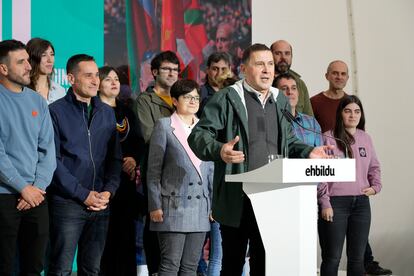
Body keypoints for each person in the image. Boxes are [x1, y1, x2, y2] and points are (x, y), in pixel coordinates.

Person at [188, 43, 332, 275]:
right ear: (244, 69)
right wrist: (219, 150)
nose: (266, 70)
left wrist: (309, 152)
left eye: (270, 64)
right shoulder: (228, 98)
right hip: (238, 198)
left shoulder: (280, 100)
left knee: (265, 263)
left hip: (273, 197)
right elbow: (199, 135)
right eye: (259, 64)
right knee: (233, 262)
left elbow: (289, 141)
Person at [47, 54, 122, 275]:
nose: (95, 81)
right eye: (87, 76)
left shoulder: (107, 112)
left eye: (96, 75)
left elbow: (114, 159)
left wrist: (108, 191)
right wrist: (82, 194)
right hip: (67, 203)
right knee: (60, 268)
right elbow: (53, 161)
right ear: (71, 78)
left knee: (92, 269)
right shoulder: (55, 111)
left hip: (100, 203)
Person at [0, 39, 56, 276]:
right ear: (3, 68)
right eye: (20, 62)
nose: (28, 66)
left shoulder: (37, 101)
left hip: (36, 196)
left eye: (27, 60)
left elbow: (48, 151)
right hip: (4, 196)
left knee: (34, 266)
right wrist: (23, 187)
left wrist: (37, 187)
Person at [147, 79, 214, 275]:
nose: (193, 101)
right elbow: (153, 170)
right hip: (172, 206)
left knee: (191, 266)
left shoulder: (205, 129)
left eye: (196, 97)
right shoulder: (164, 126)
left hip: (200, 207)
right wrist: (155, 205)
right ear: (175, 100)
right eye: (187, 97)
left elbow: (210, 171)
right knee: (170, 265)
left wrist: (213, 205)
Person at [318, 95, 382, 275]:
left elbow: (374, 166)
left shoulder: (366, 138)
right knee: (332, 257)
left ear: (361, 115)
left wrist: (375, 186)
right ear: (340, 114)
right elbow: (321, 172)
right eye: (348, 111)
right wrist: (325, 203)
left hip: (361, 204)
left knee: (357, 258)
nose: (352, 115)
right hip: (335, 204)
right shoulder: (328, 138)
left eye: (357, 111)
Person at [135, 50, 180, 275]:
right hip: (157, 173)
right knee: (155, 225)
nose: (172, 73)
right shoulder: (145, 101)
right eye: (167, 69)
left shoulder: (181, 100)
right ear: (154, 72)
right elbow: (150, 136)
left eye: (175, 70)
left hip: (180, 176)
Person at [98, 66, 144, 276]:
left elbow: (139, 141)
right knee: (102, 240)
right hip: (99, 184)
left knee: (125, 237)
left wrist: (134, 158)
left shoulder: (127, 110)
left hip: (125, 184)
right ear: (97, 84)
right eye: (108, 79)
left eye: (116, 79)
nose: (114, 83)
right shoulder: (93, 109)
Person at [274, 73, 322, 147]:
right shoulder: (272, 121)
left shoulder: (312, 122)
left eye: (293, 88)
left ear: (298, 93)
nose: (290, 92)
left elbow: (320, 153)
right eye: (284, 88)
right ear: (275, 94)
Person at [270, 40, 313, 116]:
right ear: (270, 56)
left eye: (287, 53)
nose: (283, 58)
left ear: (291, 56)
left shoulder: (299, 84)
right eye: (278, 53)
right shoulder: (262, 82)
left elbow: (309, 119)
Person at [310, 60, 349, 133]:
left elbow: (360, 133)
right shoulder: (314, 102)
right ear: (327, 76)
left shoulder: (352, 103)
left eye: (343, 74)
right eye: (335, 73)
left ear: (347, 78)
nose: (339, 77)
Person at [26, 38, 65, 104]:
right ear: (33, 58)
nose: (50, 60)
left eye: (52, 54)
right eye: (44, 55)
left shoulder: (60, 90)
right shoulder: (23, 90)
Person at [198, 51, 234, 117]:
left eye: (223, 69)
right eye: (215, 69)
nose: (219, 73)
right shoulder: (199, 93)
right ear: (207, 70)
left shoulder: (235, 92)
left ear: (230, 69)